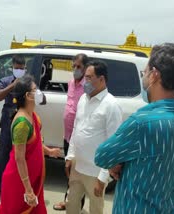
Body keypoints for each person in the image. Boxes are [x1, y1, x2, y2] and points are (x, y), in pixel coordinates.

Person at [95, 42, 174, 214]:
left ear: (154, 75)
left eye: (145, 72)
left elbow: (102, 156)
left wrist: (116, 163)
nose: (144, 77)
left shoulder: (142, 122)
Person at [65, 61, 123, 214]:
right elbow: (76, 129)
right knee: (71, 204)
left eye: (89, 78)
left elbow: (113, 146)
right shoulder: (83, 99)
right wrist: (70, 156)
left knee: (95, 209)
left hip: (95, 172)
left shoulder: (111, 105)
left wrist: (103, 177)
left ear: (102, 80)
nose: (85, 82)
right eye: (85, 77)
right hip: (77, 167)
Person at [0, 75, 60, 214]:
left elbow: (34, 145)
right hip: (19, 183)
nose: (38, 92)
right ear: (28, 95)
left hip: (32, 179)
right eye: (35, 89)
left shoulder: (32, 115)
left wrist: (48, 151)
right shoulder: (21, 123)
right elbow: (19, 158)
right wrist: (28, 189)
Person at [53, 53, 88, 211]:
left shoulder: (88, 86)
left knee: (77, 174)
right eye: (73, 66)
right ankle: (68, 200)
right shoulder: (71, 83)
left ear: (86, 68)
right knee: (68, 171)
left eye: (79, 67)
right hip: (68, 136)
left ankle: (76, 205)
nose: (75, 69)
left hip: (79, 138)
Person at [0, 55, 27, 203]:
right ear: (12, 68)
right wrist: (13, 85)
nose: (19, 70)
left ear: (25, 68)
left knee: (21, 157)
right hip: (7, 122)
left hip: (23, 122)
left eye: (21, 68)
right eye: (16, 68)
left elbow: (41, 99)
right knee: (3, 156)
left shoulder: (29, 81)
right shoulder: (6, 81)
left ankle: (17, 191)